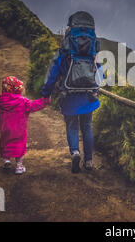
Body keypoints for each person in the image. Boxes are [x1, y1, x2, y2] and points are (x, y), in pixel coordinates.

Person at [40, 11, 102, 173]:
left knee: (72, 126)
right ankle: (88, 161)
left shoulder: (64, 53)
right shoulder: (92, 55)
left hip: (69, 96)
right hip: (89, 96)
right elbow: (100, 74)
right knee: (87, 126)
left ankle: (75, 152)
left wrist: (45, 93)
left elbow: (52, 76)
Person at [0, 76, 50, 174]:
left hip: (6, 129)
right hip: (19, 131)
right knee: (18, 146)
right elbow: (34, 105)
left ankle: (6, 161)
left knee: (5, 144)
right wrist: (45, 100)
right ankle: (19, 166)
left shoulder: (0, 101)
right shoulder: (23, 101)